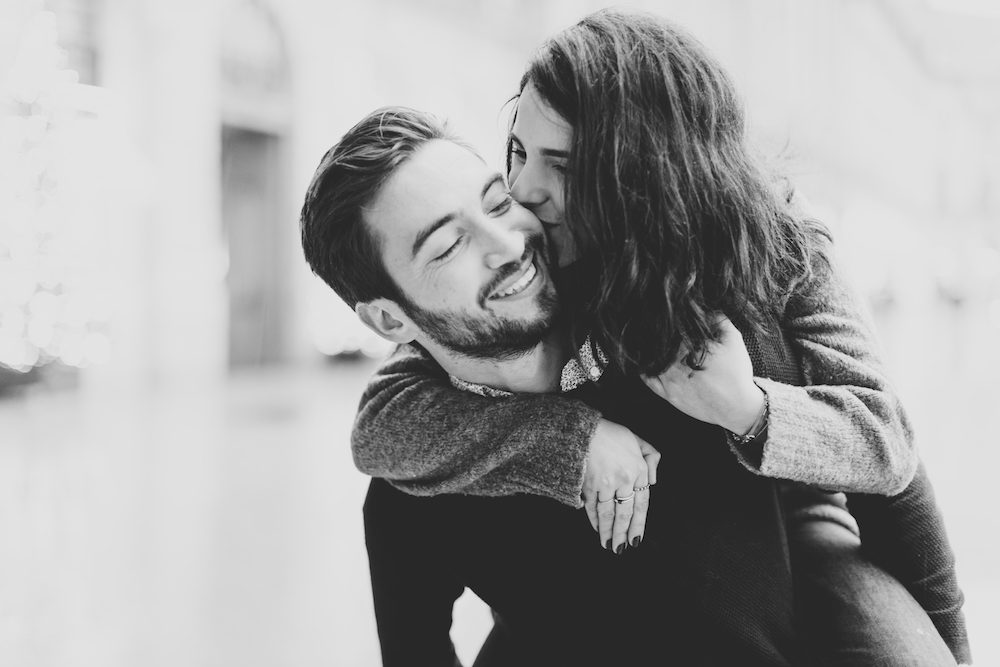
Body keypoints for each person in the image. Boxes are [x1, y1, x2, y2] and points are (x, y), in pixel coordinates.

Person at [344, 10, 970, 666]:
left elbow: (890, 452)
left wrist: (744, 407)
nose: (523, 191)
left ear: (639, 173)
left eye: (563, 165)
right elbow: (385, 416)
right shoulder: (544, 263)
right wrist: (571, 440)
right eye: (518, 152)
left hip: (808, 514)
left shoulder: (778, 245)